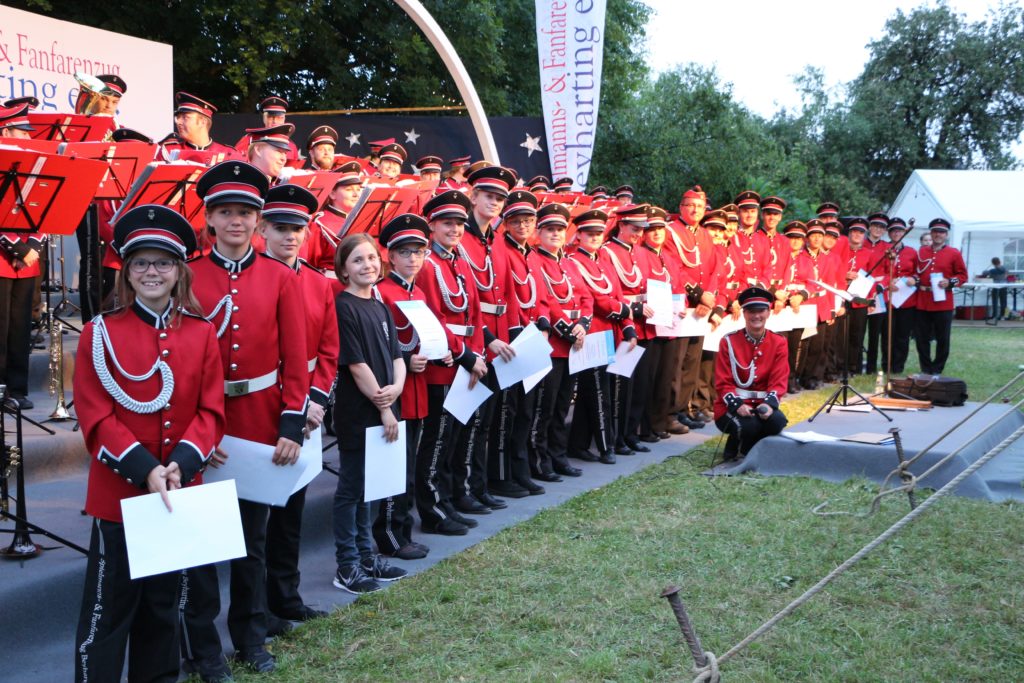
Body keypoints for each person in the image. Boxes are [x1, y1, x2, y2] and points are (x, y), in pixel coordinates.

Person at [73, 205, 224, 683]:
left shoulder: (201, 334)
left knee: (164, 607)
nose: (152, 272)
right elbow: (96, 417)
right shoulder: (100, 334)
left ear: (180, 271)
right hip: (120, 497)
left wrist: (178, 463)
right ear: (127, 270)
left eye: (163, 263)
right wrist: (146, 469)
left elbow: (211, 412)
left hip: (177, 492)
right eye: (141, 263)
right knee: (108, 612)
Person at [181, 161, 308, 679]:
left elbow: (295, 357)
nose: (236, 221)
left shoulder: (280, 277)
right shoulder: (187, 271)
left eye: (246, 213)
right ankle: (204, 649)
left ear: (259, 222)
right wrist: (193, 434)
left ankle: (251, 637)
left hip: (259, 419)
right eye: (225, 212)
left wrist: (291, 424)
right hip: (201, 420)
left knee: (252, 540)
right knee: (205, 541)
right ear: (208, 219)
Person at [257, 184, 336, 627]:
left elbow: (328, 349)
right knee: (254, 514)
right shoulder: (253, 276)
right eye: (281, 228)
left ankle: (286, 596)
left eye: (298, 229)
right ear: (263, 229)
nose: (290, 237)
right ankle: (255, 606)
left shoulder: (318, 282)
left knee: (291, 508)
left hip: (305, 409)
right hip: (259, 403)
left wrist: (315, 401)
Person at [331, 233, 409, 594]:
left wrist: (397, 389)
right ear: (344, 269)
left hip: (384, 407)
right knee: (350, 489)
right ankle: (346, 564)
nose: (368, 265)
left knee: (368, 488)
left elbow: (396, 356)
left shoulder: (379, 305)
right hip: (359, 411)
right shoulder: (343, 306)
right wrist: (385, 409)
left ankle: (367, 556)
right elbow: (357, 365)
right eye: (358, 260)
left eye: (372, 259)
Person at [415, 190, 488, 533]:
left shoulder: (459, 260)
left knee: (455, 439)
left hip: (464, 361)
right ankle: (432, 508)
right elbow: (433, 318)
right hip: (441, 365)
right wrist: (466, 355)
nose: (455, 229)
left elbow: (472, 313)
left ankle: (446, 500)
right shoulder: (428, 265)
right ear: (432, 226)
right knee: (438, 440)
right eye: (447, 223)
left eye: (459, 223)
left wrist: (476, 356)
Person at [372, 214, 443, 559]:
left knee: (408, 464)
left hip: (418, 387)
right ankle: (389, 532)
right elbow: (379, 343)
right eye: (405, 252)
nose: (413, 258)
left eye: (419, 251)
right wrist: (406, 356)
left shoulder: (419, 290)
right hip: (394, 387)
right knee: (394, 467)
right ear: (390, 256)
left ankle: (402, 528)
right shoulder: (384, 292)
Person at [528, 203, 595, 476]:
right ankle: (539, 460)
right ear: (539, 232)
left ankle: (557, 455)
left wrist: (582, 325)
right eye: (550, 229)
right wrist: (567, 329)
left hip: (573, 344)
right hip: (554, 344)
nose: (556, 234)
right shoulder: (534, 259)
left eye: (560, 229)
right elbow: (546, 300)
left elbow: (586, 297)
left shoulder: (568, 262)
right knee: (544, 407)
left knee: (562, 405)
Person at [714, 287, 789, 462]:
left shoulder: (779, 342)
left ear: (768, 313)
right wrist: (738, 405)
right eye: (751, 311)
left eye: (761, 311)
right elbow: (723, 382)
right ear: (744, 313)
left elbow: (779, 380)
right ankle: (737, 445)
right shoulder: (729, 341)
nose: (756, 316)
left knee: (777, 422)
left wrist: (769, 405)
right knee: (750, 426)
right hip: (731, 406)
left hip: (763, 404)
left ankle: (749, 446)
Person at [0, 104, 42, 409]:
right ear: (5, 132)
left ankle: (17, 388)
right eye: (21, 132)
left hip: (27, 262)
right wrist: (18, 248)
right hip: (4, 258)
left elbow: (49, 207)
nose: (28, 137)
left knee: (19, 326)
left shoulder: (36, 164)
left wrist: (33, 248)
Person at [915, 218, 967, 375]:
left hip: (943, 302)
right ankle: (926, 368)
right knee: (921, 338)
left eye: (942, 232)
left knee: (942, 338)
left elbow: (963, 275)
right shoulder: (921, 251)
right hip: (923, 300)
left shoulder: (954, 253)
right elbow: (915, 271)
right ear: (931, 233)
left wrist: (950, 282)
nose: (939, 234)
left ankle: (937, 369)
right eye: (936, 231)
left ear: (947, 235)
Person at [160, 92, 239, 164]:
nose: (178, 122)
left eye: (185, 118)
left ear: (203, 122)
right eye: (178, 117)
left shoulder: (229, 154)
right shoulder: (168, 152)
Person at [234, 96, 300, 162]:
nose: (275, 121)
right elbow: (236, 165)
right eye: (270, 117)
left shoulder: (291, 146)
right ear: (264, 118)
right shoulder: (249, 140)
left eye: (279, 117)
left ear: (284, 119)